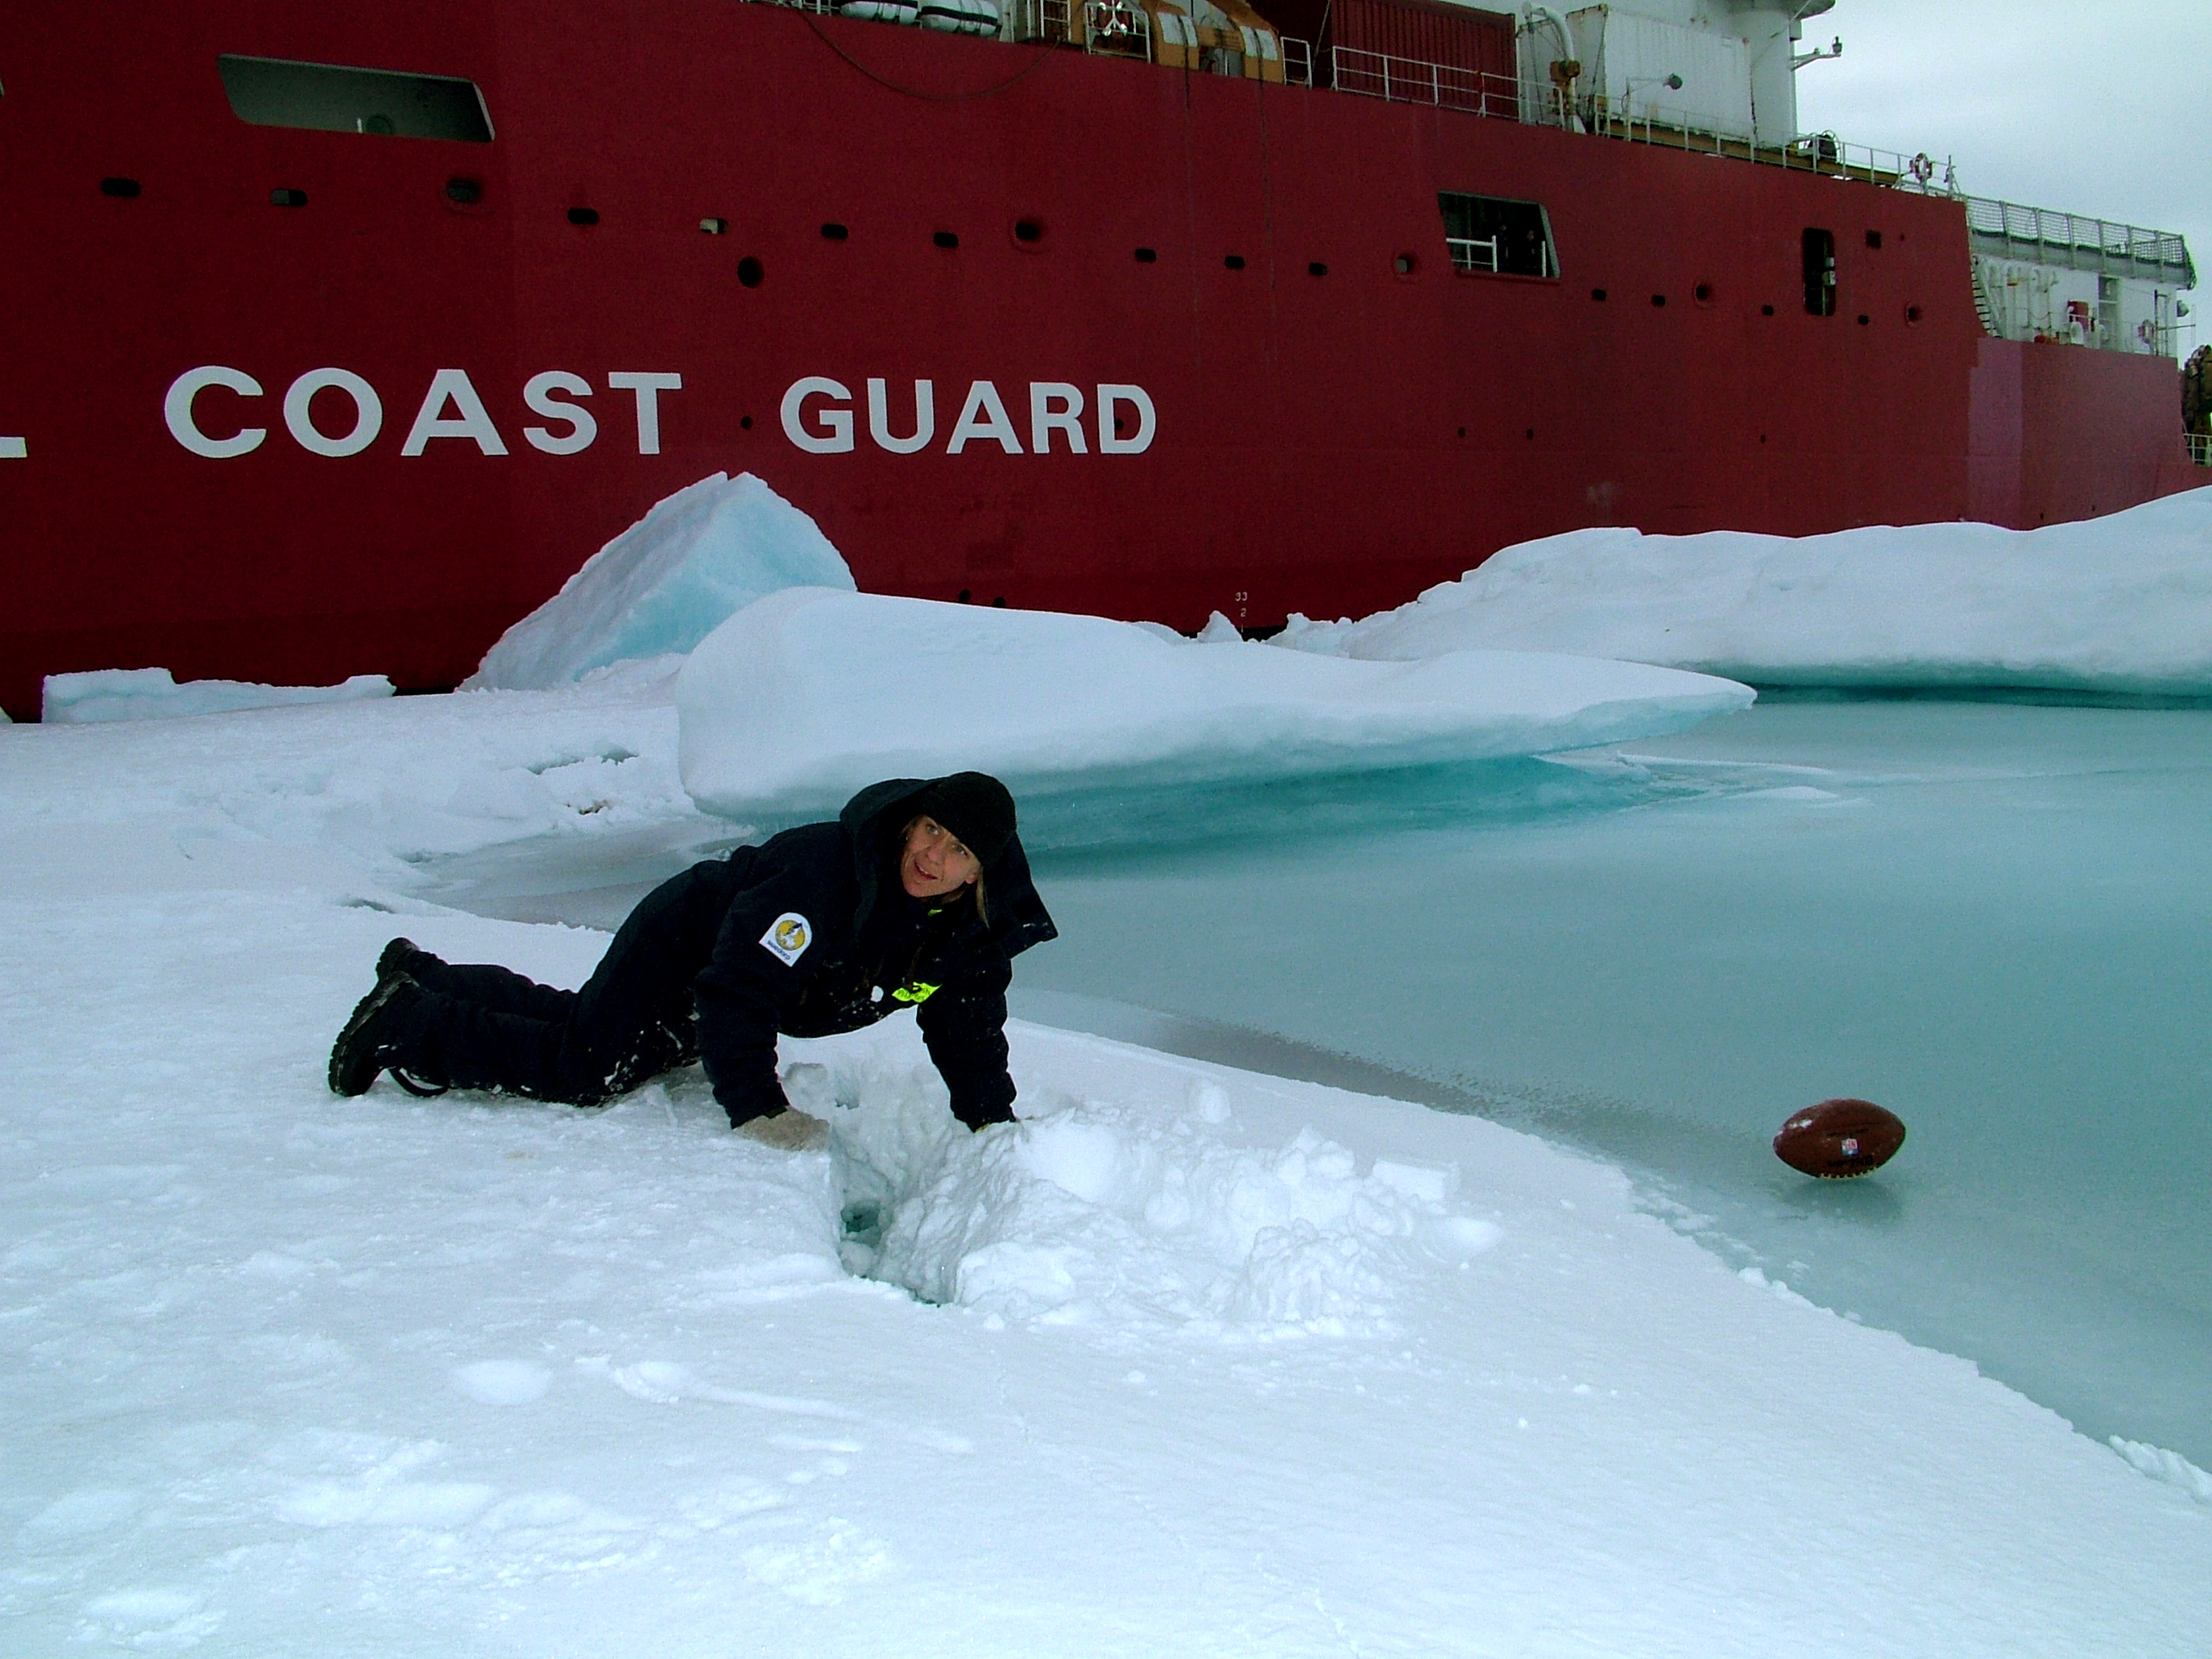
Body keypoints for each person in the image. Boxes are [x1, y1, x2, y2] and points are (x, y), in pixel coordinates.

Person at [326, 771, 1056, 1140]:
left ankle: (424, 978)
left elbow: (965, 1028)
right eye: (930, 831)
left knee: (597, 1026)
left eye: (958, 850)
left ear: (979, 874)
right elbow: (739, 988)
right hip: (687, 942)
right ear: (910, 824)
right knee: (588, 1066)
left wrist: (989, 1120)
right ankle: (407, 1026)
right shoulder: (826, 879)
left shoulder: (968, 936)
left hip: (726, 972)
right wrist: (758, 1109)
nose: (933, 856)